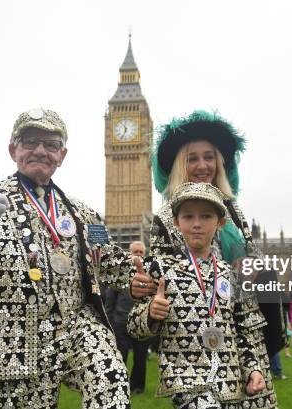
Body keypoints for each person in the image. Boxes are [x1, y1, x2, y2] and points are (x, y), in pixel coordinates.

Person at [0, 108, 141, 409]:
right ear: (13, 149)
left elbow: (109, 259)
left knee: (110, 380)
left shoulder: (85, 213)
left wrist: (142, 273)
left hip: (78, 327)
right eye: (31, 141)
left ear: (62, 155)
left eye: (51, 144)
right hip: (14, 339)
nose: (41, 151)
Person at [131, 110, 278, 408]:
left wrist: (252, 267)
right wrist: (144, 292)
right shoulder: (166, 218)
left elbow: (253, 256)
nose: (202, 165)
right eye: (192, 158)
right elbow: (159, 281)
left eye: (209, 157)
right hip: (194, 349)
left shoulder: (232, 210)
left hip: (241, 328)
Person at [128, 182, 266, 408]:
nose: (197, 224)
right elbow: (134, 326)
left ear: (219, 223)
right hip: (187, 380)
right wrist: (150, 313)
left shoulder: (230, 274)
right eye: (188, 216)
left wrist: (252, 369)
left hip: (229, 382)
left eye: (205, 216)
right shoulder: (159, 268)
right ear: (176, 222)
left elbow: (241, 329)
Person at [104, 241, 149, 394]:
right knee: (120, 357)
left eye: (140, 252)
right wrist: (110, 323)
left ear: (144, 253)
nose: (138, 254)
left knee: (140, 358)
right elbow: (109, 302)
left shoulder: (150, 274)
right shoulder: (121, 273)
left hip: (142, 324)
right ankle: (119, 385)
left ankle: (138, 387)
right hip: (121, 323)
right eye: (135, 251)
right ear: (130, 254)